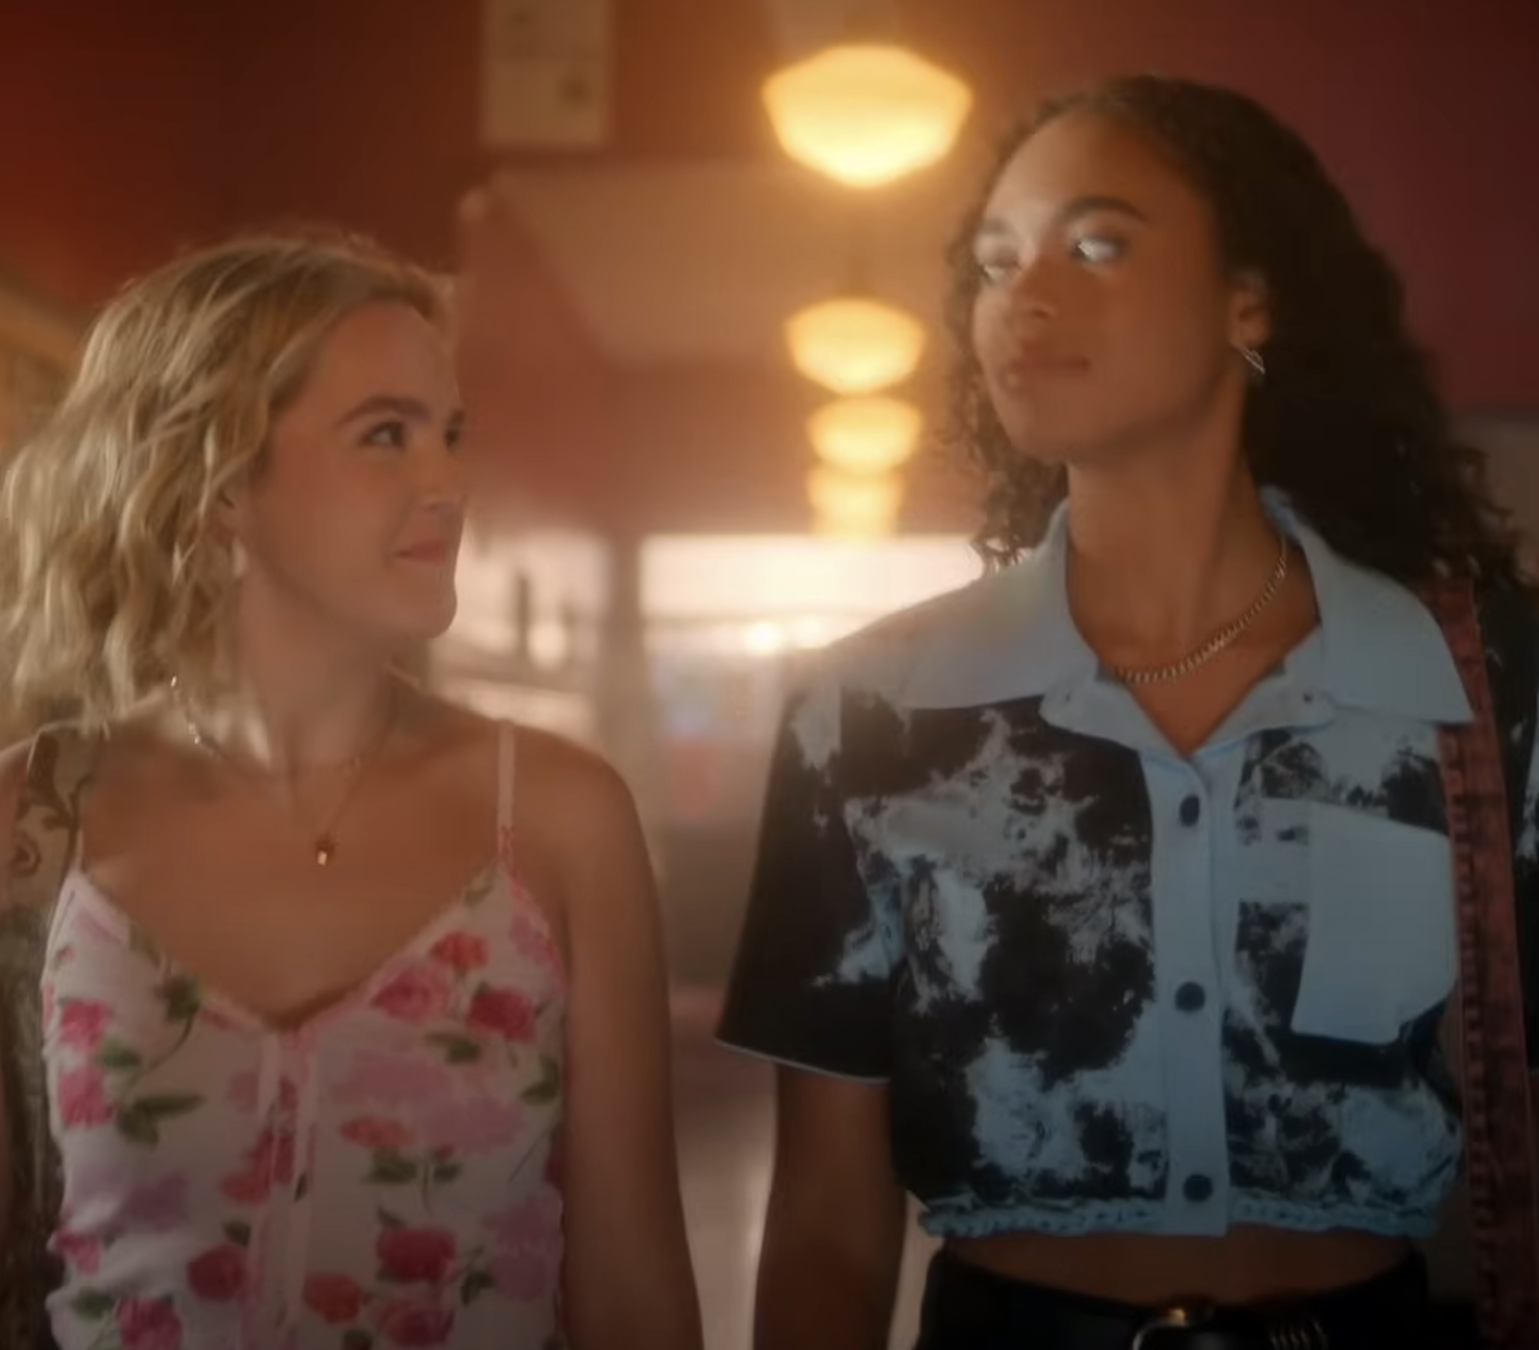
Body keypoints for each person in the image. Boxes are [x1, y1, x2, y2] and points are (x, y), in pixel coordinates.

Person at [718, 74, 1538, 1349]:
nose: (1026, 297)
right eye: (996, 264)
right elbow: (827, 1224)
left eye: (1097, 243)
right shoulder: (865, 712)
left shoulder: (1478, 686)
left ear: (1248, 298)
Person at [0, 232, 703, 1350]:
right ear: (220, 481)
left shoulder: (561, 820)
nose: (449, 485)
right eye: (387, 435)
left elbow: (637, 1303)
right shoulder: (33, 820)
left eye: (450, 435)